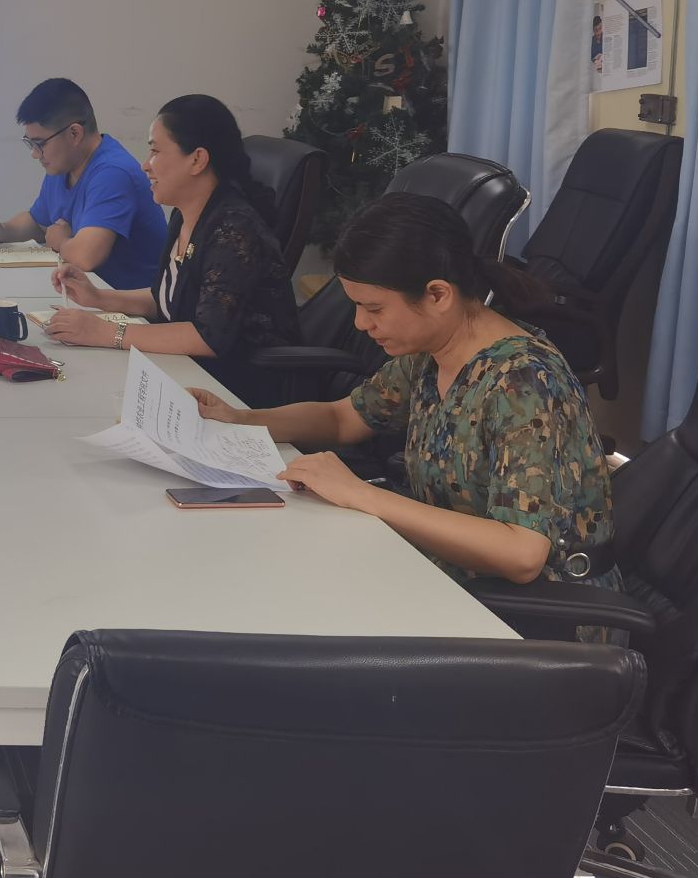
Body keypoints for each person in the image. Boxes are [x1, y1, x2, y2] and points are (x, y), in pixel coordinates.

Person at [194, 191, 615, 589]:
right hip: (449, 576)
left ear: (438, 295)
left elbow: (521, 554)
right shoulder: (432, 353)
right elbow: (343, 418)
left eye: (374, 308)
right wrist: (241, 419)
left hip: (536, 613)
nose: (361, 323)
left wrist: (361, 494)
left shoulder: (524, 383)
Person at [46, 93, 299, 405]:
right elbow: (167, 298)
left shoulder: (234, 230)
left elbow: (208, 336)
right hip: (186, 372)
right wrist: (99, 298)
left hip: (237, 391)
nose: (146, 165)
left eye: (155, 151)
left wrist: (105, 332)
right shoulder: (184, 214)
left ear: (197, 159)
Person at [0, 77, 166, 290]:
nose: (35, 154)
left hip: (132, 304)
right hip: (92, 295)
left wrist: (61, 242)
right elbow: (39, 222)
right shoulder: (63, 165)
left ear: (74, 134)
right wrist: (2, 231)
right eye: (30, 143)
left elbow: (86, 257)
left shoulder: (113, 173)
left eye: (40, 144)